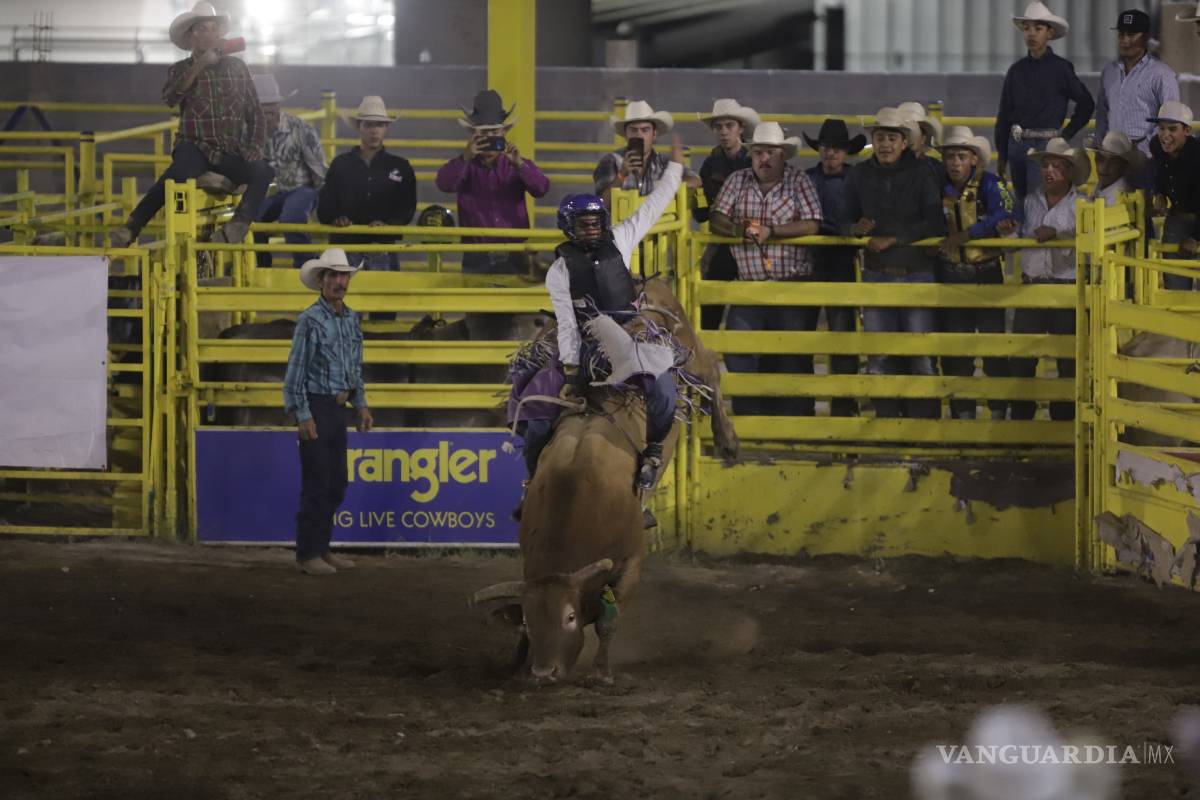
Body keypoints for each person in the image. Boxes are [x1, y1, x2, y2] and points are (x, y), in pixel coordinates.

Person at [514, 137, 689, 514]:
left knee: (664, 391)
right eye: (584, 224)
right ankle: (532, 480)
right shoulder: (559, 270)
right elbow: (566, 322)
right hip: (584, 344)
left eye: (595, 222)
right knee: (536, 411)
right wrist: (572, 370)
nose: (592, 229)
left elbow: (655, 204)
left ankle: (652, 452)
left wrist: (674, 169)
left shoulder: (621, 238)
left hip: (629, 336)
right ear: (570, 227)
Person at [108, 2, 272, 248]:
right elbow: (170, 97)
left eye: (213, 28)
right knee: (178, 173)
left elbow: (256, 113)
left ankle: (238, 224)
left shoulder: (238, 68)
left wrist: (255, 146)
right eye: (201, 29)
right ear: (190, 37)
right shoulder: (180, 69)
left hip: (229, 150)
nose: (209, 34)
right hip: (195, 146)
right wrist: (200, 64)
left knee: (263, 171)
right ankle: (132, 226)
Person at [708, 122, 823, 417]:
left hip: (791, 284)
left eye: (770, 152)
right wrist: (738, 230)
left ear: (782, 155)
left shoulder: (798, 180)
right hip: (750, 285)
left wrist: (772, 231)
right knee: (738, 350)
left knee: (793, 357)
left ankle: (795, 422)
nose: (764, 158)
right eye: (758, 152)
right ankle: (750, 419)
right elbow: (716, 218)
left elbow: (812, 223)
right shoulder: (738, 180)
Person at [841, 107, 947, 420]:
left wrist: (893, 239)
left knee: (920, 357)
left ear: (903, 142)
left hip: (912, 273)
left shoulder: (922, 173)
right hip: (883, 273)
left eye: (891, 138)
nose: (885, 144)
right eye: (880, 137)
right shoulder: (860, 174)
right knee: (880, 357)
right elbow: (842, 217)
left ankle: (921, 427)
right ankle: (889, 425)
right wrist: (854, 228)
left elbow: (935, 223)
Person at [283, 248, 373, 575]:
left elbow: (354, 367)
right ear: (321, 281)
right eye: (333, 276)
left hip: (337, 409)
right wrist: (303, 414)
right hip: (317, 406)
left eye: (343, 275)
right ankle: (309, 553)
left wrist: (360, 404)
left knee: (336, 483)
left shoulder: (350, 318)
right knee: (318, 483)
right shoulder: (310, 320)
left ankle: (321, 548)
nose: (339, 281)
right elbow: (295, 372)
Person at [934, 127, 1021, 421]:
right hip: (951, 275)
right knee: (957, 351)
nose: (955, 163)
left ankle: (997, 415)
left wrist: (968, 235)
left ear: (973, 159)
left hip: (985, 272)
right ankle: (964, 416)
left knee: (993, 349)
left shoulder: (991, 183)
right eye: (950, 157)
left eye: (961, 157)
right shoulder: (937, 185)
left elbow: (1008, 212)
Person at [1010, 138, 1088, 422]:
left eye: (1057, 166)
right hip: (1032, 286)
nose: (1049, 171)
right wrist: (1008, 231)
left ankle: (1063, 424)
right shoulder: (1030, 200)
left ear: (1069, 171)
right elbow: (1017, 235)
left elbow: (1087, 235)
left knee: (1067, 362)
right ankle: (1022, 422)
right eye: (1046, 165)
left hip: (1065, 289)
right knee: (1021, 359)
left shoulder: (1082, 204)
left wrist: (1057, 232)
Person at [435, 89, 550, 275]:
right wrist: (465, 157)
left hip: (514, 253)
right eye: (484, 132)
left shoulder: (517, 164)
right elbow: (443, 184)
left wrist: (519, 165)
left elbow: (541, 188)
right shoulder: (465, 166)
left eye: (494, 131)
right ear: (473, 135)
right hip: (477, 255)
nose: (489, 137)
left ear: (503, 132)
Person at [994, 1, 1094, 204]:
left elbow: (1087, 103)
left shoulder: (1061, 69)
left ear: (1049, 33)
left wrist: (1065, 135)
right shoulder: (1016, 70)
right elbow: (1004, 115)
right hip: (1017, 143)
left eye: (1038, 28)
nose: (1031, 34)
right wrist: (1002, 154)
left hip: (1044, 145)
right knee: (1022, 200)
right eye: (1027, 28)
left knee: (1038, 200)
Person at [803, 118, 867, 417]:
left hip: (838, 259)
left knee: (841, 334)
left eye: (837, 148)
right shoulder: (808, 178)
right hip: (811, 260)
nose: (831, 153)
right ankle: (804, 405)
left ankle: (843, 406)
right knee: (804, 332)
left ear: (845, 152)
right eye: (827, 147)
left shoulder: (854, 179)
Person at [317, 96, 416, 270]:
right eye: (369, 125)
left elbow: (407, 207)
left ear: (386, 128)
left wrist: (389, 224)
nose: (374, 131)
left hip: (375, 246)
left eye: (379, 125)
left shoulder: (401, 166)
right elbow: (325, 205)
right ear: (359, 127)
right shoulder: (341, 164)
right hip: (350, 246)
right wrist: (335, 218)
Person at [693, 99, 759, 331]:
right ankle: (709, 339)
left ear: (740, 128)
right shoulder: (711, 164)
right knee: (711, 299)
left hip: (750, 240)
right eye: (719, 126)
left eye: (729, 126)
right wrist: (697, 193)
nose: (723, 131)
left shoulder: (754, 160)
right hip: (725, 240)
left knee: (754, 299)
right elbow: (701, 214)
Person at [1094, 8, 1180, 187]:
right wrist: (1100, 145)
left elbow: (1171, 118)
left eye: (1131, 34)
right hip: (1112, 158)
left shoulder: (1161, 74)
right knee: (1111, 203)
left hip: (1147, 160)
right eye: (1121, 34)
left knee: (1141, 203)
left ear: (1145, 37)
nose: (1125, 40)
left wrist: (1143, 148)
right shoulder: (1109, 72)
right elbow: (1102, 112)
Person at [251, 74, 326, 268]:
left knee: (292, 216)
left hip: (302, 188)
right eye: (262, 106)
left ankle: (306, 266)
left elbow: (318, 170)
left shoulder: (301, 129)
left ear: (278, 105)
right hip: (268, 192)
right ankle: (259, 267)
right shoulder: (248, 132)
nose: (267, 111)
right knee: (250, 217)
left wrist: (326, 205)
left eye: (271, 105)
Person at [593, 100, 700, 204]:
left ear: (654, 134)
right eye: (633, 130)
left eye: (645, 130)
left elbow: (695, 181)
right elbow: (601, 204)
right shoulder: (611, 160)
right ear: (625, 135)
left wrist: (671, 183)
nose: (639, 135)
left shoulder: (665, 163)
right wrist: (622, 175)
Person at [1147, 102, 1200, 289]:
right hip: (1178, 216)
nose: (1165, 135)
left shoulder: (1197, 156)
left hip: (1192, 217)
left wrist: (1195, 238)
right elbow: (1159, 170)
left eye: (1172, 129)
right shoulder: (1157, 146)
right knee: (1173, 278)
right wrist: (1159, 192)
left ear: (1187, 131)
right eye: (1161, 128)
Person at [1086, 131, 1143, 206]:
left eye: (1113, 162)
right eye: (1101, 159)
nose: (1104, 168)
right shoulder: (1102, 185)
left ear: (1124, 167)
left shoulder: (1119, 198)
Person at [898, 101, 947, 188]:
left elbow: (948, 190)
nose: (909, 137)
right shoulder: (886, 167)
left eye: (914, 132)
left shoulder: (936, 168)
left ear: (923, 138)